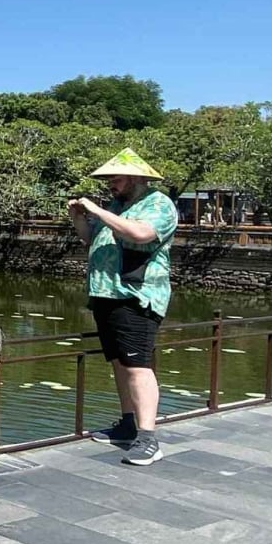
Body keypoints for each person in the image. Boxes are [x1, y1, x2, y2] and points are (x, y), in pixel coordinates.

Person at [69, 147, 179, 466]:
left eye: (115, 178)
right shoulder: (118, 206)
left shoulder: (158, 203)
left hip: (135, 296)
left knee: (137, 365)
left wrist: (98, 210)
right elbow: (93, 240)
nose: (110, 184)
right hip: (106, 295)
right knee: (120, 362)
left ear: (135, 178)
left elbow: (141, 234)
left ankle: (148, 439)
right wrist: (79, 218)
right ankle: (129, 424)